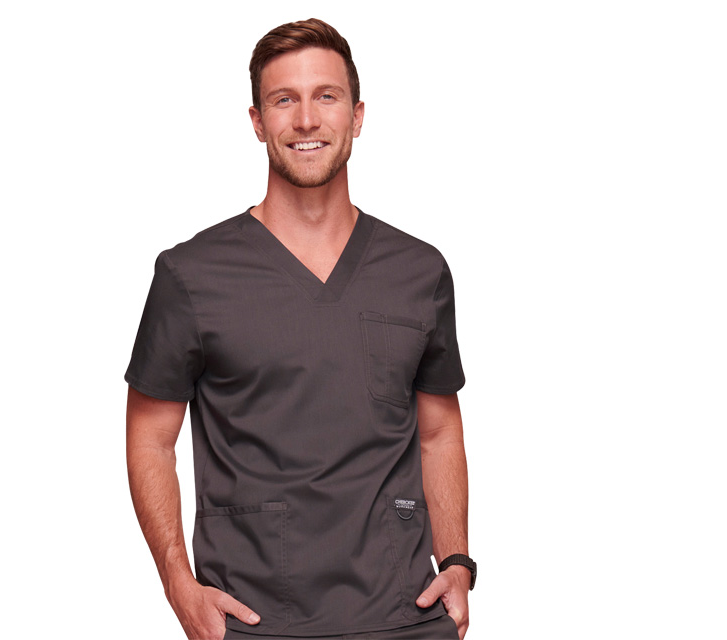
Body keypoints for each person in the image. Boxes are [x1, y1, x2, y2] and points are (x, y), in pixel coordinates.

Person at [125, 18, 476, 640]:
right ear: (258, 122)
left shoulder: (418, 271)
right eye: (284, 99)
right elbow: (150, 439)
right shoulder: (192, 275)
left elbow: (439, 430)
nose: (307, 120)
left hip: (404, 616)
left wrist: (456, 562)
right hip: (254, 620)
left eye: (327, 96)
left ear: (357, 116)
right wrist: (179, 585)